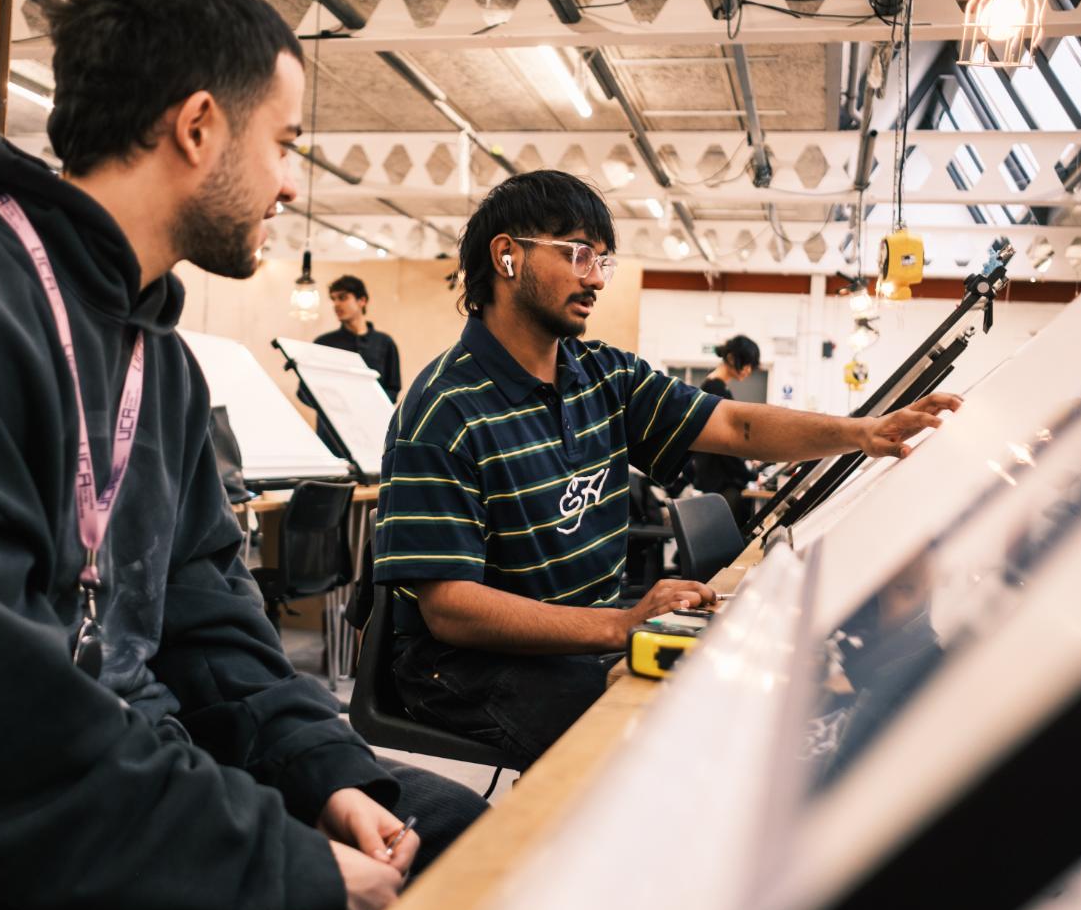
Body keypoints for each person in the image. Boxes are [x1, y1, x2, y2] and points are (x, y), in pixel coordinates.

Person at [0, 0, 484, 910]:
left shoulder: (157, 357)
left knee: (450, 828)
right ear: (199, 127)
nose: (291, 185)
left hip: (108, 774)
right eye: (285, 143)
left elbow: (211, 621)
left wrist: (325, 775)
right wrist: (282, 864)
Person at [373, 170, 960, 770]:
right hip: (467, 666)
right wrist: (619, 625)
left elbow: (736, 427)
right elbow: (449, 607)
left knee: (717, 701)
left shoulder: (603, 375)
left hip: (577, 637)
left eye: (603, 260)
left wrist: (861, 432)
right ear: (507, 257)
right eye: (579, 254)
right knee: (657, 751)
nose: (597, 277)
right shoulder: (443, 410)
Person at [303, 275, 402, 457]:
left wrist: (367, 403)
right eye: (333, 299)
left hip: (370, 434)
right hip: (332, 438)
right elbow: (304, 391)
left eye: (343, 297)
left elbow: (393, 389)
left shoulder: (385, 343)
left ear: (362, 300)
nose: (336, 305)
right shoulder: (323, 343)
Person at [691, 334, 762, 525]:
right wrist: (750, 474)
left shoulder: (718, 387)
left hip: (717, 477)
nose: (748, 370)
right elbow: (725, 443)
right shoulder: (715, 389)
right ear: (731, 359)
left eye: (751, 366)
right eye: (746, 363)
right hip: (718, 481)